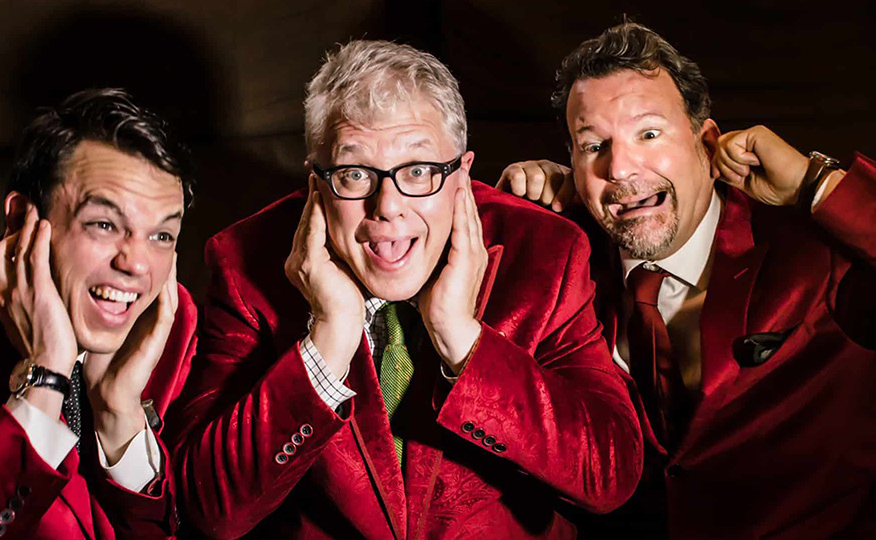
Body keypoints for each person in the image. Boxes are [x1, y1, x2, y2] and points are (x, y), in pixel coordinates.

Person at [167, 40, 642, 540]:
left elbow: (610, 474)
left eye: (418, 171)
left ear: (461, 174)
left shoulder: (546, 252)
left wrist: (461, 337)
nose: (387, 206)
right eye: (354, 174)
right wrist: (327, 340)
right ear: (316, 183)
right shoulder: (243, 263)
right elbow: (206, 506)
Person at [497, 22, 876, 540]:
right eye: (593, 146)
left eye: (649, 134)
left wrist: (815, 182)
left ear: (707, 143)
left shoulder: (816, 251)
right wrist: (509, 220)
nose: (620, 167)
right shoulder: (565, 269)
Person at [0, 88, 199, 539]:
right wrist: (48, 373)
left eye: (161, 236)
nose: (135, 265)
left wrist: (119, 415)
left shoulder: (174, 324)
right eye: (104, 225)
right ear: (20, 222)